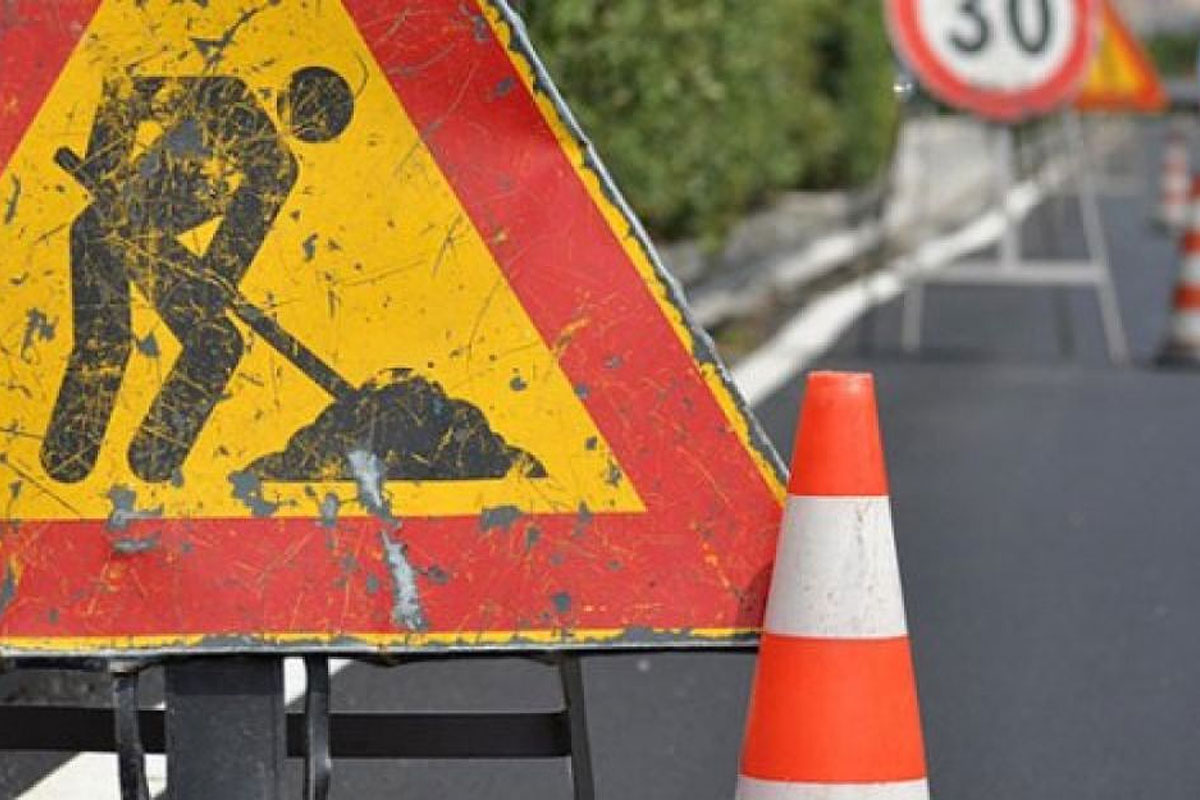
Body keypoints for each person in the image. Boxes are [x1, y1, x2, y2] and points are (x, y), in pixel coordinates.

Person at [41, 67, 354, 483]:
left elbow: (229, 255)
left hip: (156, 248)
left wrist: (212, 283)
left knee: (217, 342)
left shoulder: (278, 168)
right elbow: (124, 89)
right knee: (106, 339)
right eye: (309, 109)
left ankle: (153, 457)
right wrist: (107, 171)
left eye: (319, 124)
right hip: (103, 226)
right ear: (290, 90)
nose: (306, 123)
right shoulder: (225, 95)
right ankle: (69, 453)